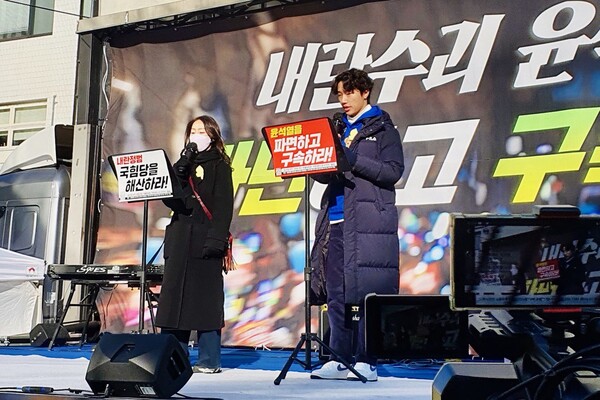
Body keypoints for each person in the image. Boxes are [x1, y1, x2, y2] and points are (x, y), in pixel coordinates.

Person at [309, 68, 405, 381]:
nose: (343, 99)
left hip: (368, 223)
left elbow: (393, 171)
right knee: (336, 293)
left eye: (349, 92)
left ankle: (367, 359)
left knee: (366, 293)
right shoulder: (337, 127)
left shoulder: (383, 127)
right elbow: (330, 172)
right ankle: (340, 359)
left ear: (365, 92)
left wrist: (353, 158)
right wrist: (315, 164)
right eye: (339, 94)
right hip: (336, 222)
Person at [156, 115, 234, 374]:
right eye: (193, 131)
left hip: (206, 238)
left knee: (205, 301)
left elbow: (223, 205)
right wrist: (180, 169)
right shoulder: (183, 163)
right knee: (174, 301)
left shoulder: (220, 165)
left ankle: (209, 360)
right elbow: (171, 199)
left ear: (213, 135)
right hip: (180, 238)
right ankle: (173, 358)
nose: (197, 135)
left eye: (202, 131)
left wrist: (216, 239)